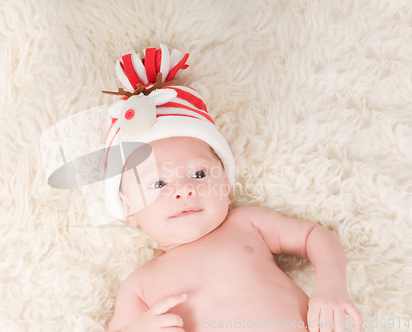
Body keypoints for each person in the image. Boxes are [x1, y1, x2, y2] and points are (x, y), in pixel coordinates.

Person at [102, 45, 362, 332]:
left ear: (225, 185)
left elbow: (314, 236)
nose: (184, 190)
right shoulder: (139, 286)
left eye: (199, 173)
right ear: (129, 209)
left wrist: (331, 285)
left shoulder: (246, 224)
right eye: (159, 183)